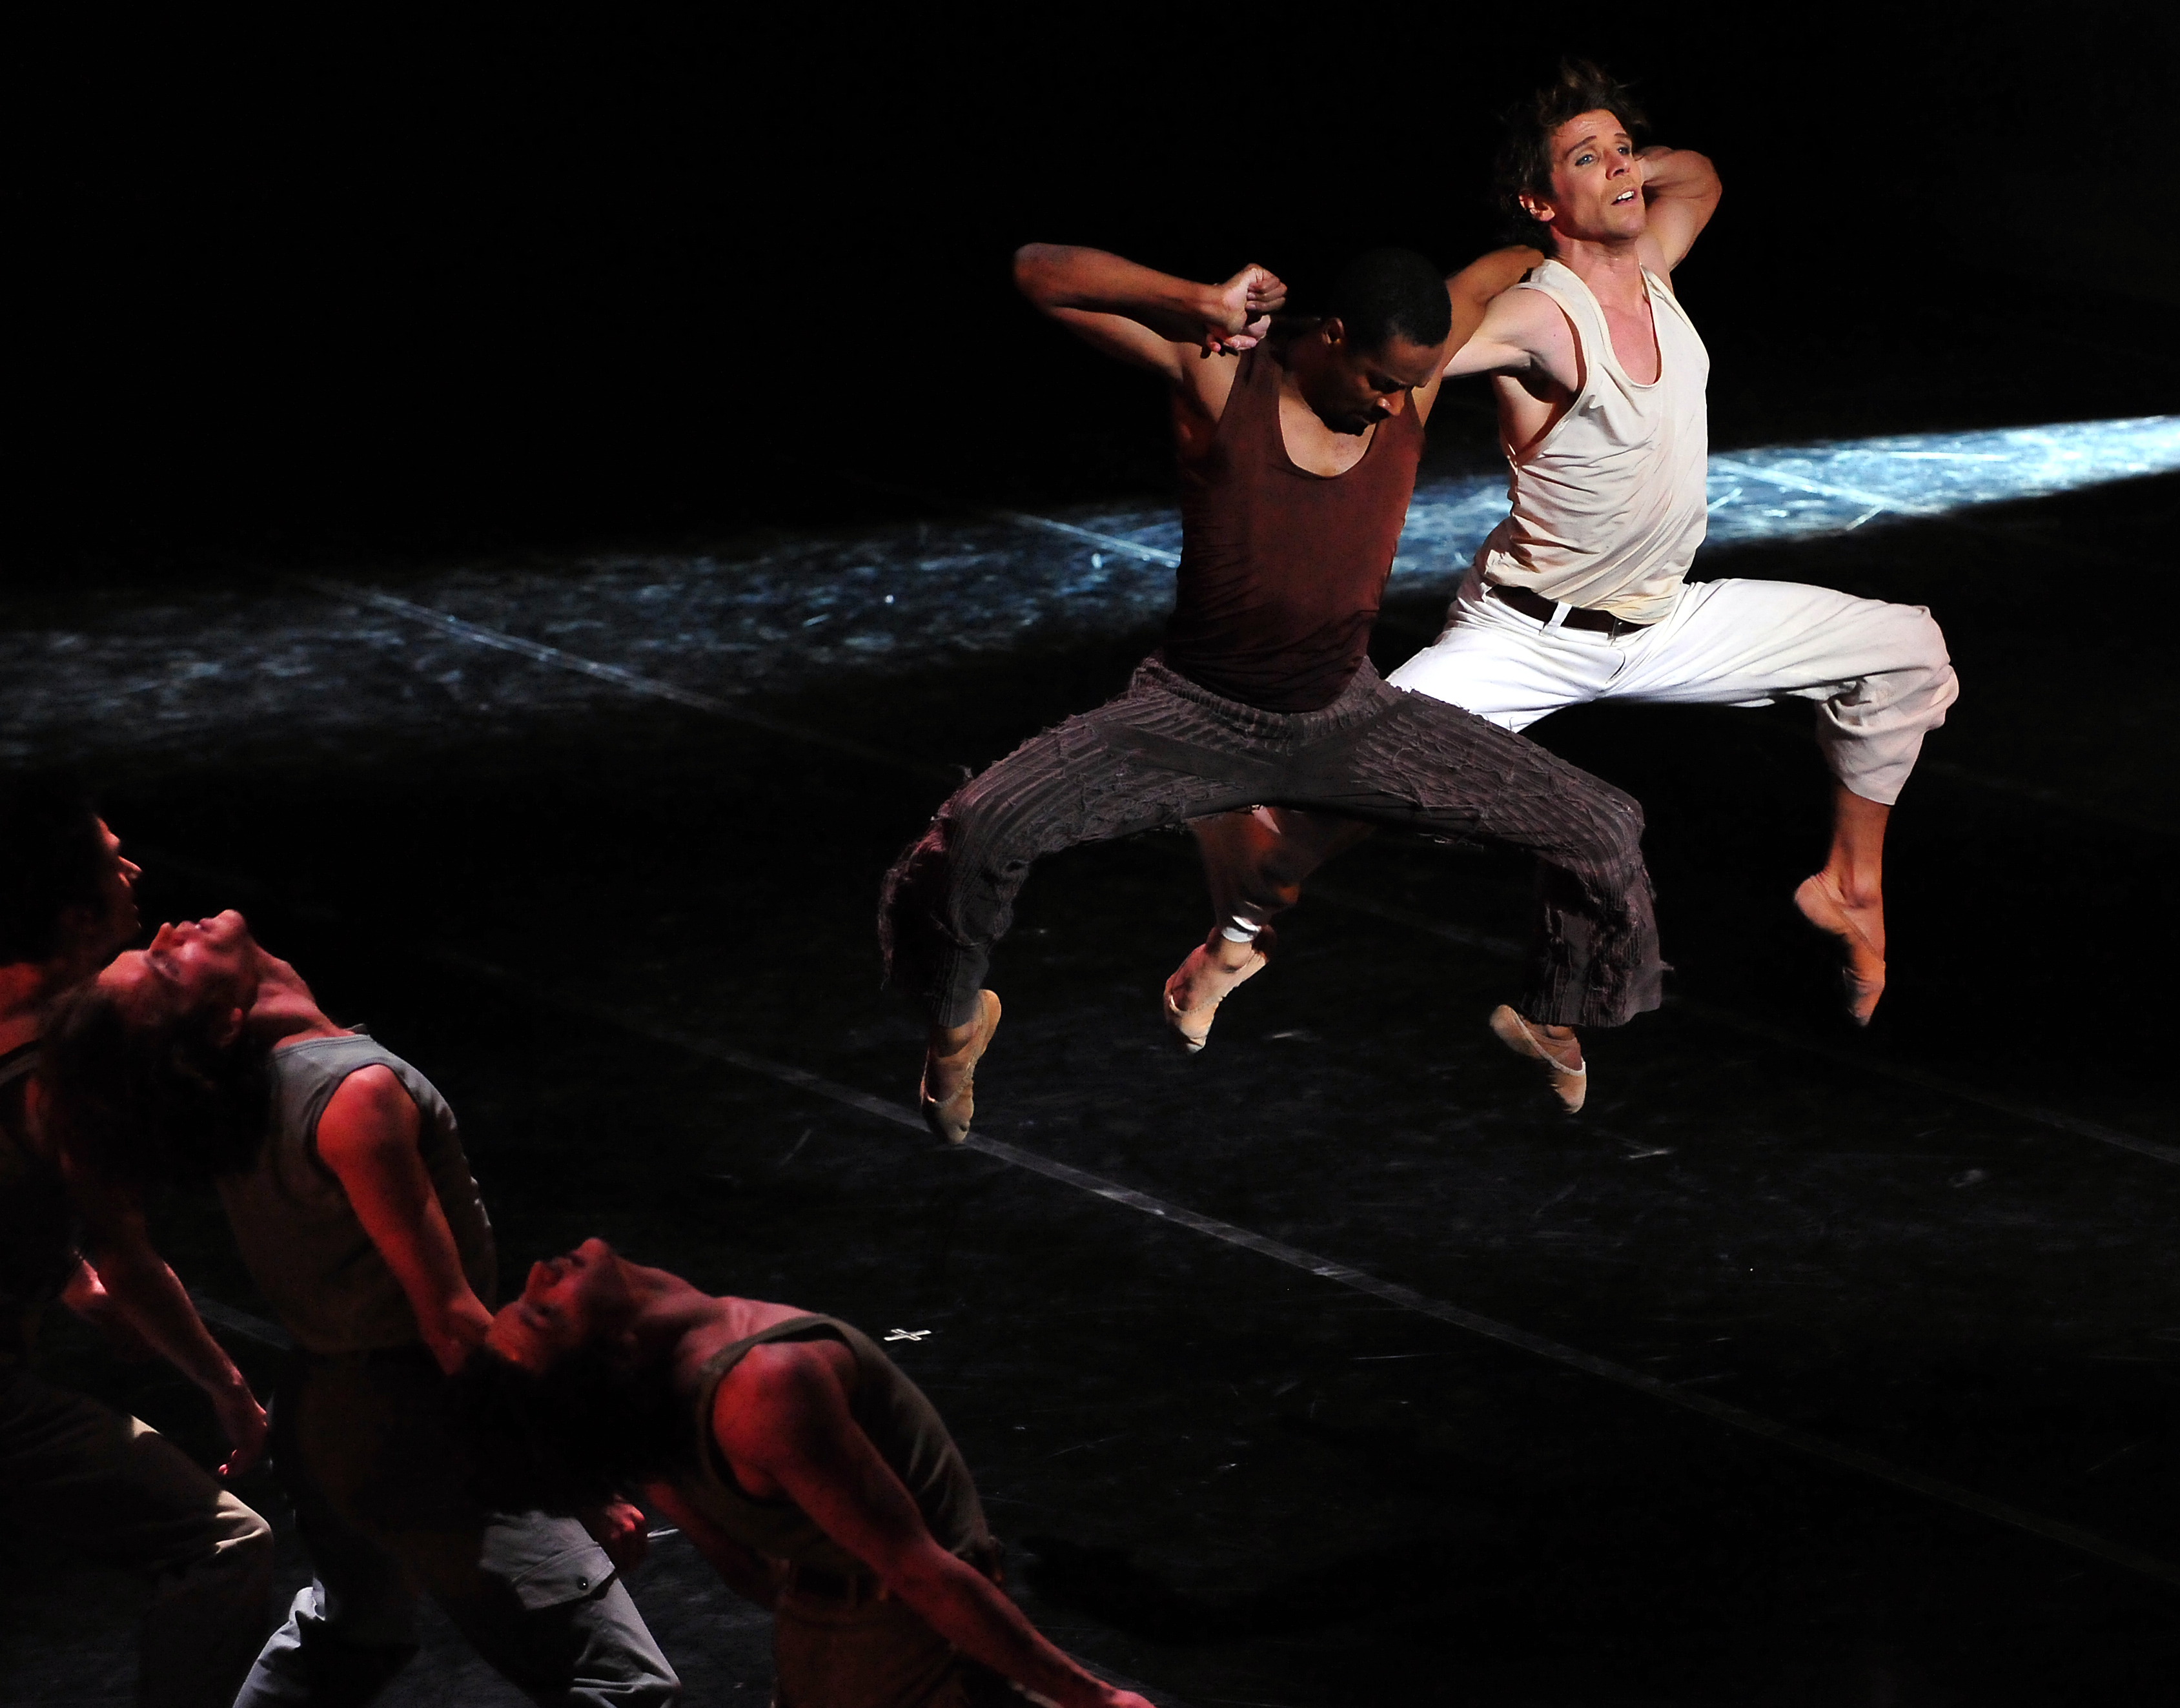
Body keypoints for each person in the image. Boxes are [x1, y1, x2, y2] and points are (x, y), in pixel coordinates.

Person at [1189, 61, 1959, 1028]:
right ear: (1537, 201)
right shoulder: (1538, 316)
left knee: (1906, 652)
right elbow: (1413, 356)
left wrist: (1617, 170)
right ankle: (1231, 941)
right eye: (1587, 159)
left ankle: (1850, 883)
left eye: (1624, 149)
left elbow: (1700, 176)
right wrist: (1282, 344)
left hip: (1662, 620)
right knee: (1329, 798)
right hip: (1528, 634)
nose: (1623, 168)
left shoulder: (1655, 265)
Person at [880, 243, 1664, 1128]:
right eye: (1379, 381)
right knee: (979, 828)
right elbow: (1037, 272)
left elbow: (1489, 276)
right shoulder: (1224, 378)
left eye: (1408, 387)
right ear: (1332, 336)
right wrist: (1196, 299)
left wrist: (1566, 239)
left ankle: (1557, 1014)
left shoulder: (1407, 386)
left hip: (1346, 719)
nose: (1393, 403)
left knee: (1602, 824)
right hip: (1193, 716)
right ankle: (956, 1024)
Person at [45, 907, 680, 1707]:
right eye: (166, 965)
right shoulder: (353, 1095)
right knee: (623, 1685)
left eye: (155, 946)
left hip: (324, 1421)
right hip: (421, 1422)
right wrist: (574, 1483)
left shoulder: (253, 1094)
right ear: (225, 1021)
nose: (170, 929)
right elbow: (451, 1322)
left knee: (354, 1636)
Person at [453, 1239, 1154, 1708]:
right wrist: (1095, 1698)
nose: (539, 1272)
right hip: (906, 1651)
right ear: (615, 1351)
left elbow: (743, 1569)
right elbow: (920, 1574)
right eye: (544, 1313)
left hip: (835, 1648)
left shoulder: (657, 1408)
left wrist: (826, 1625)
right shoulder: (762, 1387)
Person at [0, 778, 274, 1708]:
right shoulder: (65, 1066)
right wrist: (228, 1390)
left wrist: (67, 1278)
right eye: (114, 861)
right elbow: (128, 1255)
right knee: (226, 1543)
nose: (136, 874)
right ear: (78, 916)